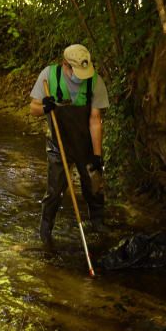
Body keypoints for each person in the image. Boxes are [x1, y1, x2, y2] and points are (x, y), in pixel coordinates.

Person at [29, 44, 109, 246]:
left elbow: (95, 119)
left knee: (94, 184)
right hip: (59, 144)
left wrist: (97, 157)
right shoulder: (49, 76)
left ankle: (98, 223)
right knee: (55, 190)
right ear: (66, 65)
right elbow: (33, 108)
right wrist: (45, 107)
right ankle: (46, 230)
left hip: (86, 145)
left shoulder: (95, 82)